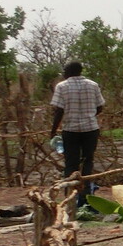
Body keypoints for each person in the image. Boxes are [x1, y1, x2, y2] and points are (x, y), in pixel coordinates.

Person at [49, 61, 104, 204]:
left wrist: (53, 131)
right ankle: (86, 196)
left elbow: (59, 111)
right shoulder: (93, 85)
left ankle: (70, 197)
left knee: (71, 163)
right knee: (88, 161)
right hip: (91, 129)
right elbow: (99, 107)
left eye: (64, 71)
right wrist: (89, 116)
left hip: (70, 130)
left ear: (68, 71)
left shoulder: (62, 86)